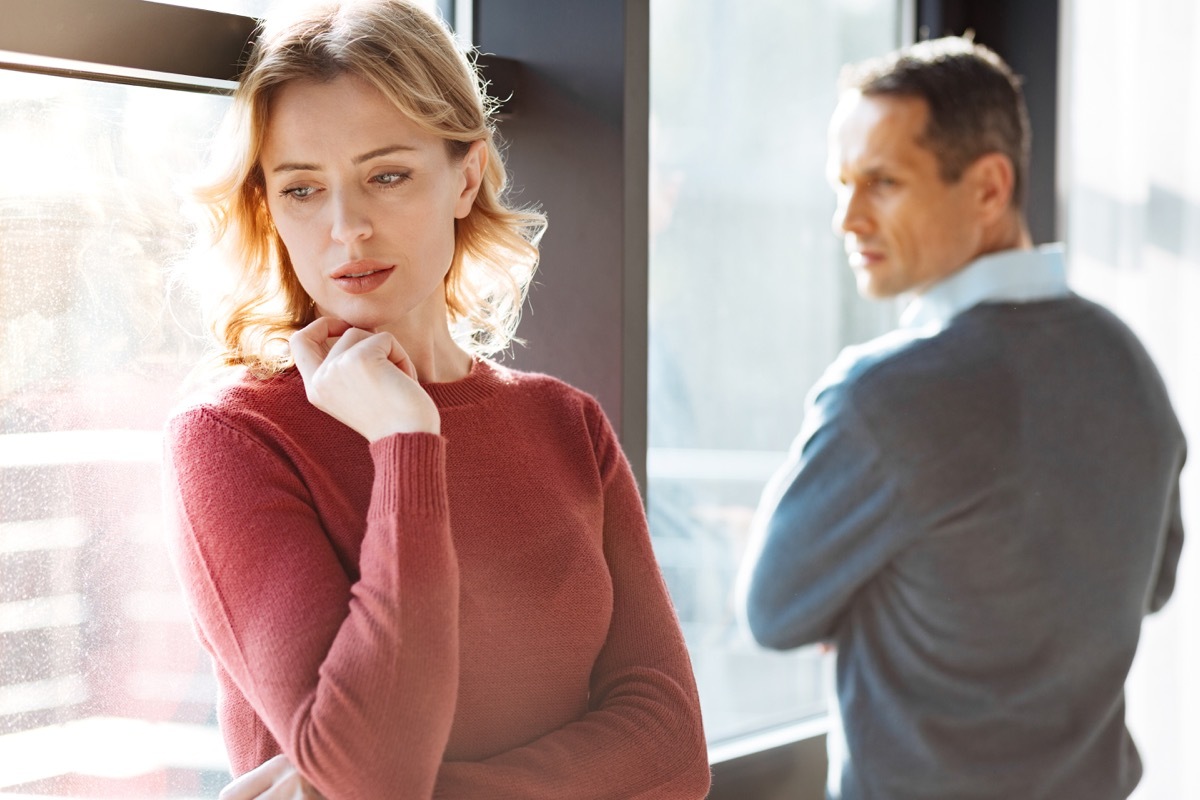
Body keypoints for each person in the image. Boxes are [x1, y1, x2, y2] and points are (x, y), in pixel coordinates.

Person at [162, 2, 711, 798]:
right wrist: (405, 443)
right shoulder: (231, 436)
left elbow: (673, 748)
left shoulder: (567, 424)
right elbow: (370, 774)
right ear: (267, 208)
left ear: (466, 173)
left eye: (386, 175)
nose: (346, 228)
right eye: (303, 189)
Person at [737, 36, 1185, 800]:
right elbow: (1150, 584)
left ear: (987, 188)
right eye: (840, 183)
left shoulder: (882, 398)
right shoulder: (1128, 363)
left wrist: (875, 593)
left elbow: (774, 612)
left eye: (881, 182)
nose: (847, 217)